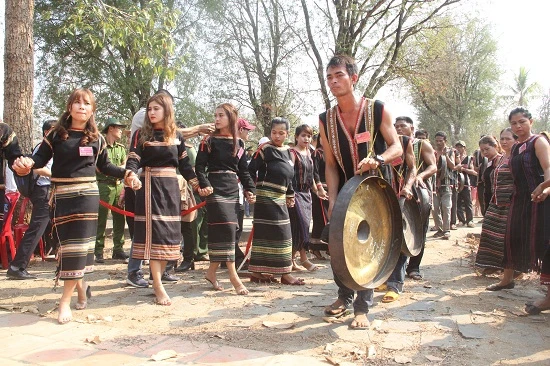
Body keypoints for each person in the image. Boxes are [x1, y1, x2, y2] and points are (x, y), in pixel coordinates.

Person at [13, 88, 140, 324]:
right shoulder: (55, 135)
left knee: (78, 248)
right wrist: (25, 164)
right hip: (61, 196)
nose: (82, 106)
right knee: (65, 249)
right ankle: (81, 289)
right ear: (69, 107)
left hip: (87, 197)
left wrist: (127, 173)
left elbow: (106, 167)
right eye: (77, 102)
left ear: (92, 110)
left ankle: (64, 302)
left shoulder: (97, 139)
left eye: (87, 104)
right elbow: (38, 159)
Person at [319, 55, 402, 329]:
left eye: (339, 75)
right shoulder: (326, 120)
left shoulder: (377, 110)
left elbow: (397, 147)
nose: (333, 81)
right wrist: (332, 198)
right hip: (344, 192)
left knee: (368, 247)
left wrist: (377, 159)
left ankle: (362, 308)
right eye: (329, 77)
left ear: (353, 78)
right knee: (338, 245)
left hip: (375, 191)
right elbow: (330, 164)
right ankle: (343, 297)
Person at [125, 90, 214, 287]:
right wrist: (130, 173)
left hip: (170, 187)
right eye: (149, 109)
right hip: (148, 186)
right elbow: (133, 158)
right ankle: (140, 275)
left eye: (156, 109)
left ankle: (163, 272)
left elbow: (184, 166)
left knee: (168, 231)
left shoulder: (176, 136)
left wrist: (198, 185)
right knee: (148, 230)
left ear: (168, 110)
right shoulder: (141, 134)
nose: (151, 113)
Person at [195, 103, 256, 295]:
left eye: (221, 115)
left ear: (231, 118)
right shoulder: (208, 140)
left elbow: (243, 170)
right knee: (227, 228)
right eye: (215, 115)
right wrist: (205, 184)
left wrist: (249, 189)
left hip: (232, 188)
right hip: (214, 187)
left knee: (229, 229)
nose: (217, 118)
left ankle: (212, 273)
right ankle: (233, 277)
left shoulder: (239, 143)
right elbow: (199, 167)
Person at [487, 107, 550, 291]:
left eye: (522, 121)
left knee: (542, 241)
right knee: (511, 237)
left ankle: (547, 289)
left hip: (540, 198)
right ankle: (507, 280)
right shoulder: (515, 148)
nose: (518, 126)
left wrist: (546, 190)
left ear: (531, 122)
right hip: (519, 198)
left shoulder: (539, 142)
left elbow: (548, 168)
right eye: (514, 123)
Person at [247, 117, 303, 285]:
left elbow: (289, 176)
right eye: (274, 132)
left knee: (283, 234)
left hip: (281, 196)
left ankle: (279, 272)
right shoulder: (264, 149)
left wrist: (290, 194)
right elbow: (250, 171)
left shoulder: (289, 152)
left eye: (281, 133)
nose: (277, 136)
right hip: (265, 197)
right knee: (272, 233)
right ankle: (263, 273)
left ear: (287, 134)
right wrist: (251, 190)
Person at [7, 120, 53, 280]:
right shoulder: (42, 148)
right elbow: (35, 167)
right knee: (36, 229)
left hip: (53, 190)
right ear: (47, 132)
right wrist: (55, 175)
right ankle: (17, 266)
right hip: (43, 191)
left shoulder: (56, 147)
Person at [393, 117, 437, 281]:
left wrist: (420, 175)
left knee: (419, 229)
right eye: (396, 126)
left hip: (419, 193)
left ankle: (414, 267)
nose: (398, 129)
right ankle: (395, 269)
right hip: (400, 192)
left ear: (412, 127)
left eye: (402, 126)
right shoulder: (394, 144)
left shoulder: (421, 144)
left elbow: (433, 166)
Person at [380, 125, 417, 303]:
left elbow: (412, 168)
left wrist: (408, 187)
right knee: (383, 240)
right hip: (378, 199)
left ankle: (395, 284)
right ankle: (384, 277)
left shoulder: (404, 142)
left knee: (400, 240)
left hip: (399, 197)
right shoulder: (371, 142)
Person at [474, 131, 515, 274]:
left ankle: (510, 268)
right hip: (494, 201)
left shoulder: (509, 159)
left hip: (507, 202)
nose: (485, 152)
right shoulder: (494, 161)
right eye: (482, 150)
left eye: (487, 149)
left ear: (495, 146)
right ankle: (492, 264)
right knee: (490, 232)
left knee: (504, 236)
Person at [288, 124, 327, 272]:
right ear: (296, 137)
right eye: (303, 135)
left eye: (309, 136)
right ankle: (303, 259)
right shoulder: (292, 153)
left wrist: (319, 190)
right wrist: (289, 193)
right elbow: (289, 175)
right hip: (295, 194)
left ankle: (292, 261)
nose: (306, 138)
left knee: (302, 227)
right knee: (300, 227)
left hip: (307, 195)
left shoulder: (309, 154)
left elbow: (314, 174)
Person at [94, 117, 128, 263]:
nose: (121, 130)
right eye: (118, 127)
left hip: (118, 184)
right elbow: (97, 165)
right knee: (101, 219)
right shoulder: (100, 146)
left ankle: (118, 249)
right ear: (110, 129)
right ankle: (98, 251)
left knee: (120, 218)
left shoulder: (121, 148)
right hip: (103, 185)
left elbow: (124, 165)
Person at [432, 131, 458, 240]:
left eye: (440, 141)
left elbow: (453, 166)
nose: (438, 143)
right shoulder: (433, 152)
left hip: (446, 184)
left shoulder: (451, 151)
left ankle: (446, 230)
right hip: (434, 185)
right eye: (437, 141)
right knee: (435, 208)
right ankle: (440, 229)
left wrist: (445, 156)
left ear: (445, 141)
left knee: (446, 207)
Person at [310, 134, 329, 260]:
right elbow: (314, 172)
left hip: (331, 190)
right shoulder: (317, 153)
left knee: (330, 218)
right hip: (320, 190)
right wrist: (318, 188)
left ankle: (328, 247)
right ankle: (315, 247)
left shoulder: (331, 153)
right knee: (321, 218)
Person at [454, 140, 476, 228]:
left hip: (466, 183)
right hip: (456, 183)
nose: (459, 148)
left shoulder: (469, 158)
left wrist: (464, 169)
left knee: (468, 203)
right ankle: (461, 220)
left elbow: (473, 172)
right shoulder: (453, 157)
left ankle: (470, 220)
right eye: (457, 147)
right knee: (457, 203)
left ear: (464, 148)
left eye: (460, 147)